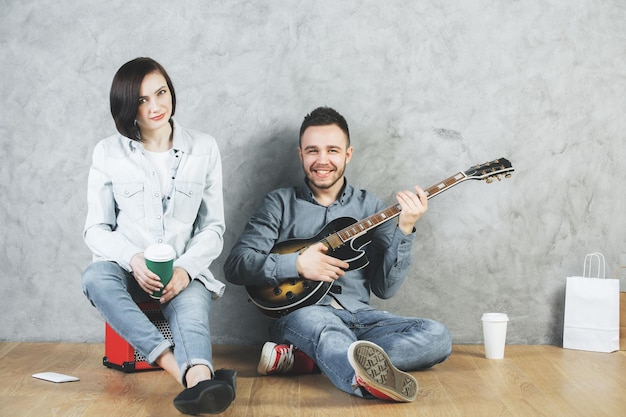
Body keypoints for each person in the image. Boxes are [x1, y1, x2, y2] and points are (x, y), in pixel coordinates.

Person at [223, 106, 452, 402]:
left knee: (437, 336)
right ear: (300, 154)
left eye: (332, 150)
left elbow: (385, 289)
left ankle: (311, 360)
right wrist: (298, 264)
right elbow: (237, 265)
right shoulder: (279, 203)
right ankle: (363, 381)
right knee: (327, 331)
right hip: (304, 316)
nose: (322, 160)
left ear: (348, 154)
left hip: (363, 317)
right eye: (312, 151)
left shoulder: (371, 207)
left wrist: (405, 229)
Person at [81, 57, 235, 415]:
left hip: (184, 269)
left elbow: (213, 228)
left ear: (170, 90)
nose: (155, 106)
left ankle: (201, 381)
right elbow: (96, 229)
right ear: (126, 108)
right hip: (126, 271)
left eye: (160, 92)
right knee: (94, 277)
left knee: (193, 312)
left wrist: (184, 270)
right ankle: (178, 370)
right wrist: (133, 260)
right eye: (141, 100)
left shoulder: (204, 148)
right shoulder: (108, 152)